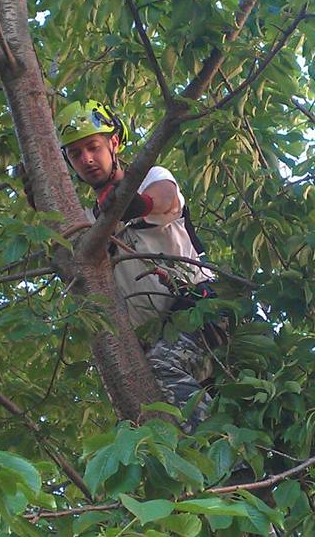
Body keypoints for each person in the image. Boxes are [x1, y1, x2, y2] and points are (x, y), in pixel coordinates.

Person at [55, 99, 217, 430]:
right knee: (146, 404)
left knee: (161, 368)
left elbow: (164, 197)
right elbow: (68, 258)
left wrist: (131, 204)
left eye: (93, 147)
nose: (87, 159)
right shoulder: (88, 223)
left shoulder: (151, 179)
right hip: (155, 338)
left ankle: (221, 451)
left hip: (199, 309)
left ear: (114, 142)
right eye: (75, 154)